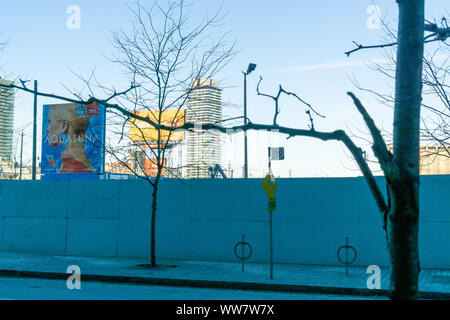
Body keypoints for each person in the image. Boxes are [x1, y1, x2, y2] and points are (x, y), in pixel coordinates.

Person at [46, 103, 95, 173]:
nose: (47, 128)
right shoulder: (78, 165)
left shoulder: (71, 168)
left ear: (64, 125)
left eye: (50, 121)